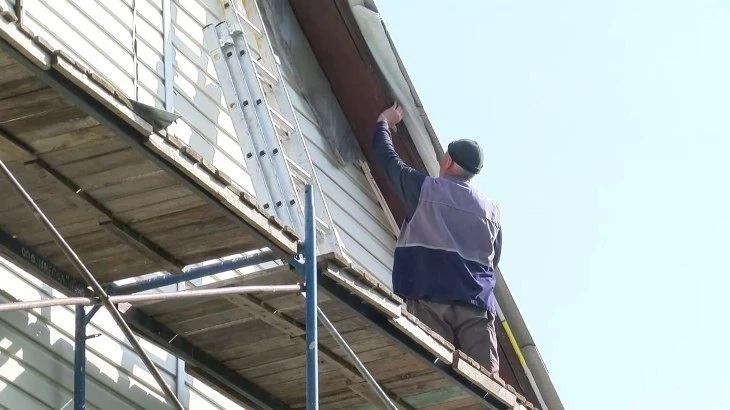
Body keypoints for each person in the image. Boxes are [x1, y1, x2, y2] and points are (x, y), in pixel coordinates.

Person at [372, 103, 502, 375]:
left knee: (432, 371)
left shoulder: (425, 190)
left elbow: (388, 160)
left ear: (448, 162)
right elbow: (493, 260)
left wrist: (384, 121)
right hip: (476, 310)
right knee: (486, 387)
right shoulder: (491, 211)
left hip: (429, 300)